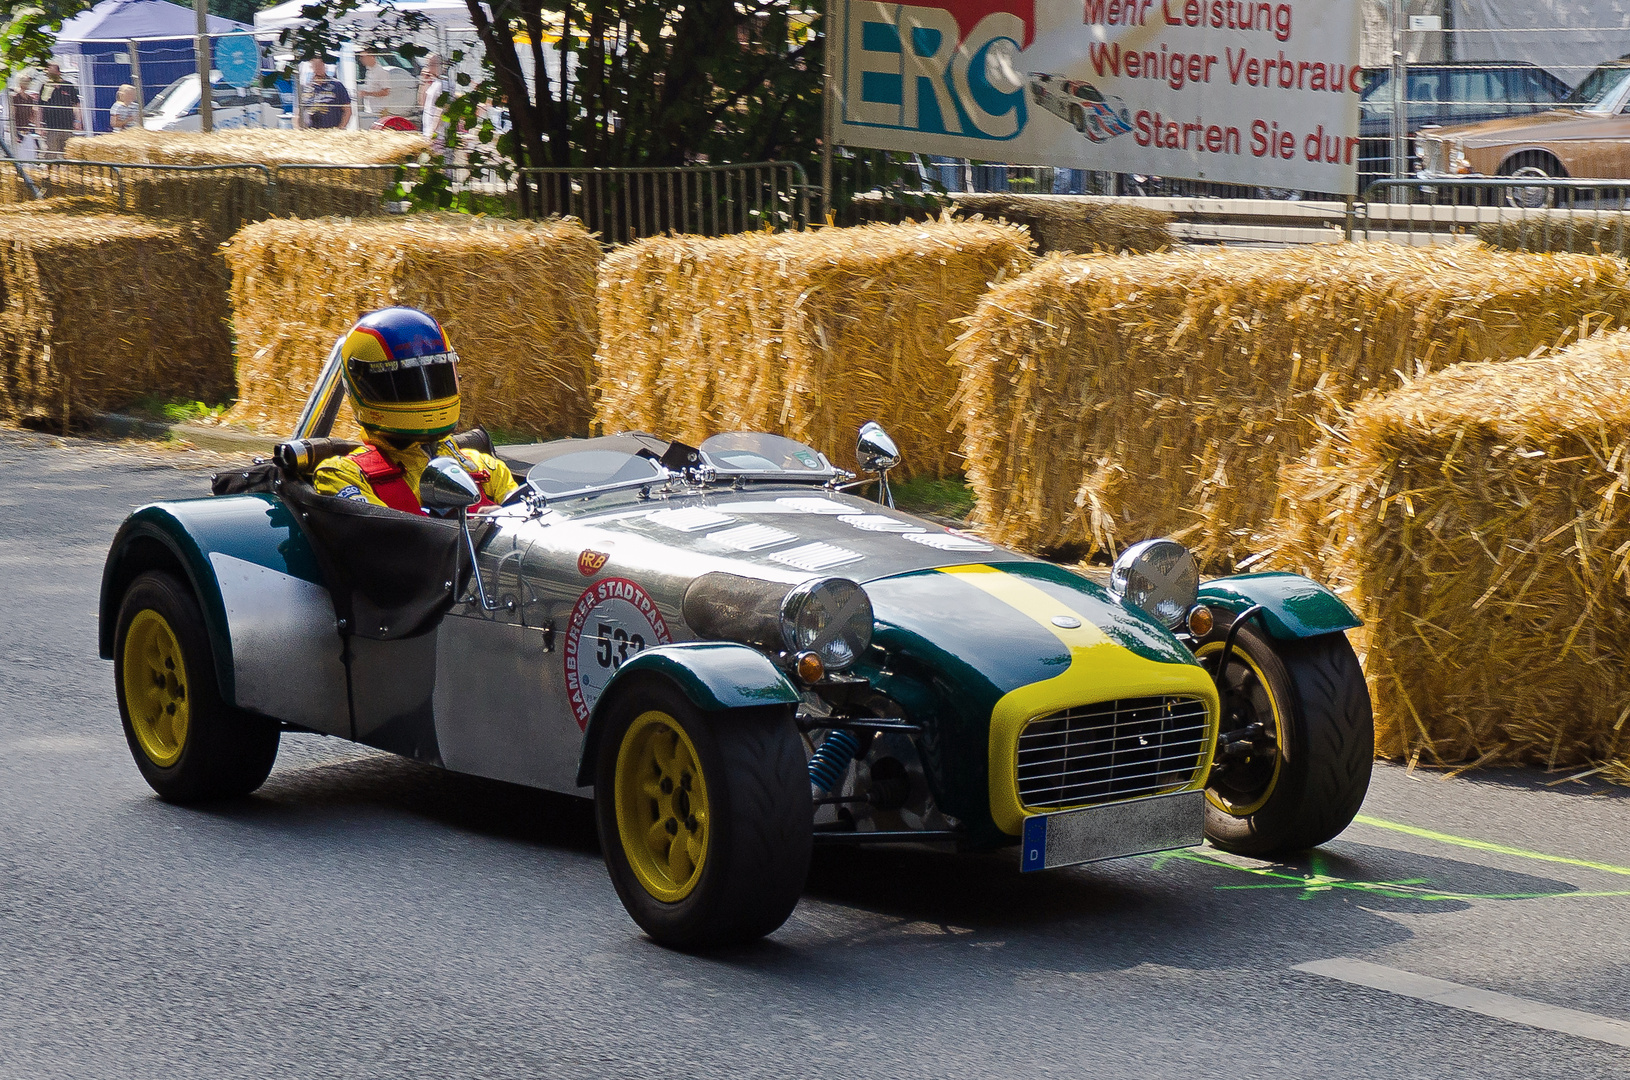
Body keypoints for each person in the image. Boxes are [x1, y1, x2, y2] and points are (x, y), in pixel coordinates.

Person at [314, 307, 517, 512]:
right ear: (363, 387)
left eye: (437, 379)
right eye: (405, 384)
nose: (427, 394)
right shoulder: (341, 474)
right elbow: (386, 538)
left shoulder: (484, 466)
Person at [38, 63, 80, 158]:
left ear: (58, 72)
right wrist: (39, 126)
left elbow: (76, 104)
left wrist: (77, 120)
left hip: (67, 126)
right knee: (51, 154)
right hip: (51, 127)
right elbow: (40, 107)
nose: (49, 73)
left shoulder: (68, 86)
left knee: (68, 154)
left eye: (51, 71)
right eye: (48, 72)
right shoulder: (46, 86)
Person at [357, 52, 414, 120]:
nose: (361, 59)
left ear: (372, 57)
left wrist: (367, 93)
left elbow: (385, 92)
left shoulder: (381, 72)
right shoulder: (369, 71)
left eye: (363, 57)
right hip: (370, 110)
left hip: (379, 111)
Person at [300, 58, 351, 130]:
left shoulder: (336, 85)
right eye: (315, 66)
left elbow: (347, 110)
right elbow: (298, 112)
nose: (317, 69)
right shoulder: (305, 87)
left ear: (324, 67)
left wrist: (340, 128)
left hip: (332, 131)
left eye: (320, 65)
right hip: (310, 132)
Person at [9, 76, 40, 156]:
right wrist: (14, 133)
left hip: (27, 130)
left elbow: (32, 114)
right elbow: (12, 115)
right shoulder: (15, 98)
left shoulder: (29, 99)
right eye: (25, 82)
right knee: (20, 154)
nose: (27, 84)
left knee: (31, 154)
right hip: (18, 130)